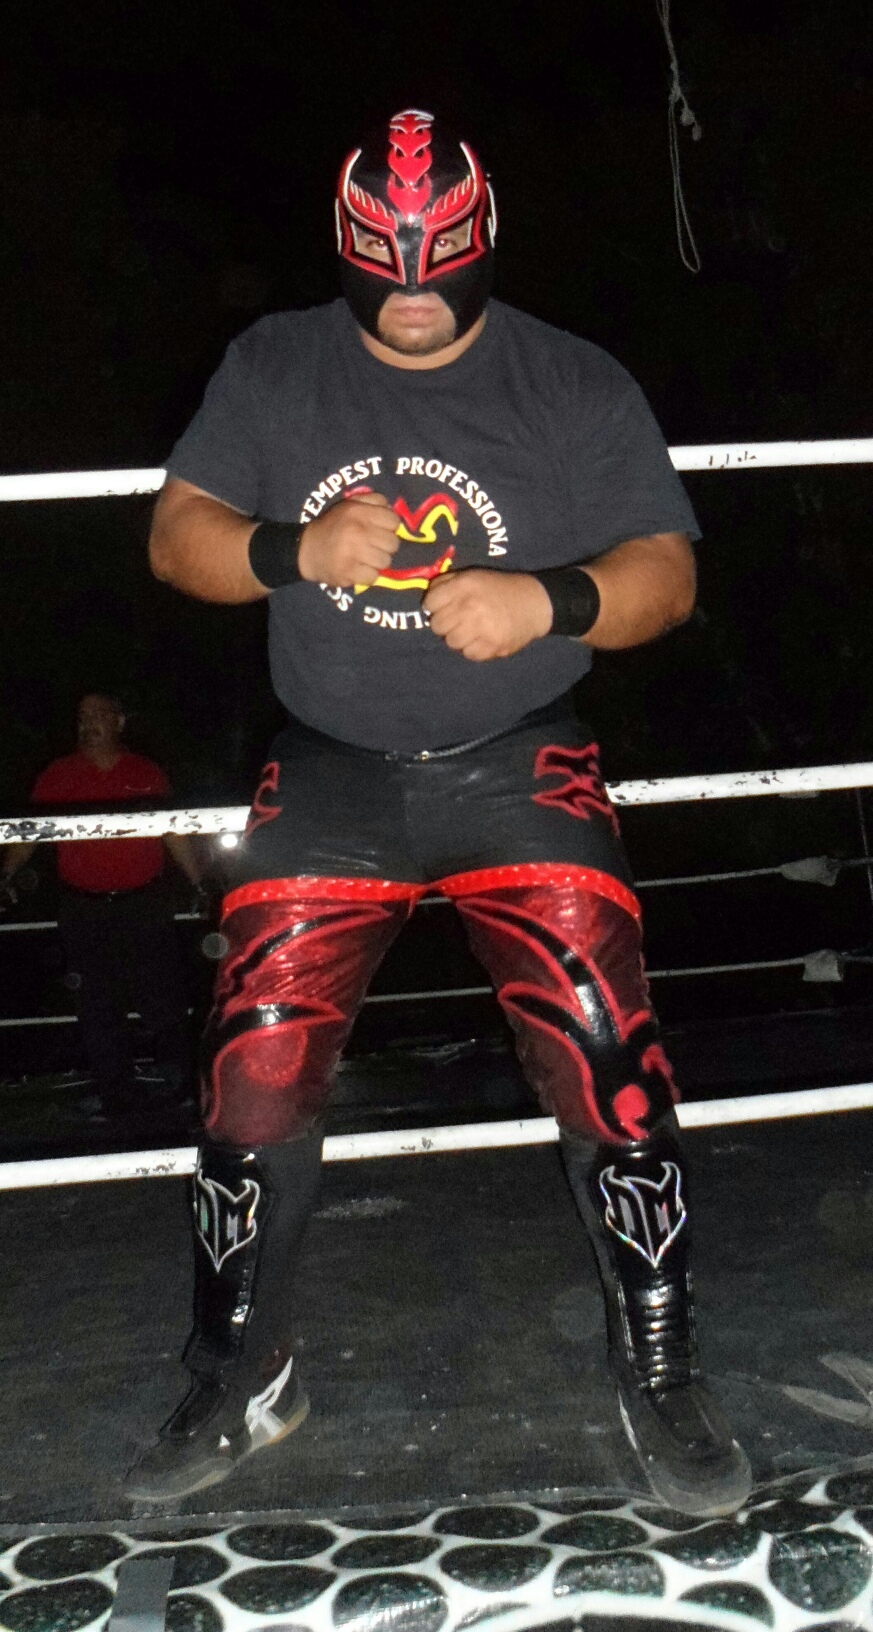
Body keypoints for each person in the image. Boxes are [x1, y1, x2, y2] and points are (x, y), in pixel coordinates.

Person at [125, 109, 751, 1515]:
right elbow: (174, 541)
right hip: (330, 766)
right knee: (250, 1066)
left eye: (438, 258)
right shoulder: (276, 362)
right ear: (346, 243)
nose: (413, 288)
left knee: (608, 1046)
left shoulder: (567, 376)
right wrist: (290, 547)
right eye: (386, 261)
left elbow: (667, 573)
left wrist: (552, 599)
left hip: (518, 757)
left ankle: (661, 1369)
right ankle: (240, 1375)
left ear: (483, 237)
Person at [1, 693, 203, 1118]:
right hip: (84, 910)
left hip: (144, 907)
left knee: (162, 1001)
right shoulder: (58, 775)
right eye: (82, 716)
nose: (87, 724)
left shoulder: (145, 772)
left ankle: (186, 1091)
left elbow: (174, 831)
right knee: (96, 1007)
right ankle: (117, 1098)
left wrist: (198, 881)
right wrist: (6, 874)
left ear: (119, 721)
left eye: (97, 715)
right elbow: (28, 834)